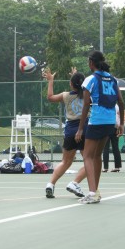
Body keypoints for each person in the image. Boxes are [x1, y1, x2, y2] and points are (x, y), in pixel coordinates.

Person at [75, 50, 124, 204]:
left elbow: (86, 104)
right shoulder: (112, 79)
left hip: (96, 120)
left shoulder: (90, 79)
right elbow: (121, 102)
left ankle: (91, 192)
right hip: (110, 121)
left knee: (88, 156)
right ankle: (95, 191)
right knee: (97, 156)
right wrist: (121, 123)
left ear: (91, 63)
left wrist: (80, 128)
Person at [42, 67, 88, 199]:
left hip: (70, 130)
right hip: (84, 129)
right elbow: (81, 87)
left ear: (71, 84)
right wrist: (77, 76)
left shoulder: (65, 96)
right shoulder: (87, 95)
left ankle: (50, 184)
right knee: (89, 162)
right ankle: (75, 183)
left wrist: (51, 80)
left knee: (65, 162)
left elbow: (50, 97)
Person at [102, 104, 122, 172]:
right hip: (115, 127)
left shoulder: (105, 104)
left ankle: (105, 167)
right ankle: (117, 167)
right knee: (115, 147)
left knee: (106, 147)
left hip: (106, 127)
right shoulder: (117, 106)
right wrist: (119, 126)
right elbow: (119, 117)